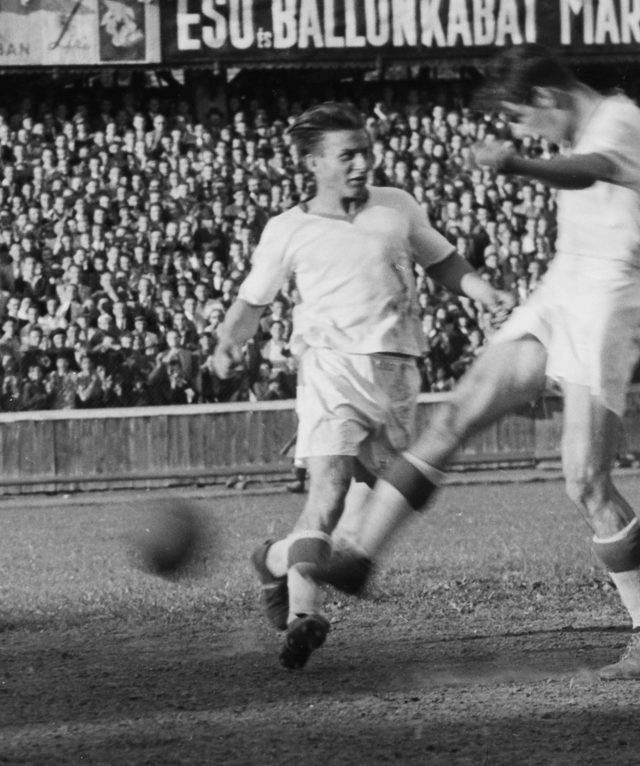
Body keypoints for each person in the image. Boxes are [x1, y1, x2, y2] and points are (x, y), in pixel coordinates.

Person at [315, 45, 640, 680]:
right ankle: (358, 555)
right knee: (456, 414)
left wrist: (517, 163)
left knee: (585, 481)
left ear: (546, 99)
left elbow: (588, 169)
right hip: (563, 288)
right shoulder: (586, 124)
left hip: (609, 300)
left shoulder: (619, 120)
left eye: (520, 119)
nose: (520, 134)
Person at [211, 102, 512, 671]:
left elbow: (443, 261)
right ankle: (303, 616)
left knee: (372, 506)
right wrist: (228, 343)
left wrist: (485, 293)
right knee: (327, 492)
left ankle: (274, 559)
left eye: (366, 151)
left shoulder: (396, 206)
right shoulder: (288, 229)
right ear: (313, 163)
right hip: (331, 367)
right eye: (347, 155)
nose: (361, 163)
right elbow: (251, 302)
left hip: (399, 368)